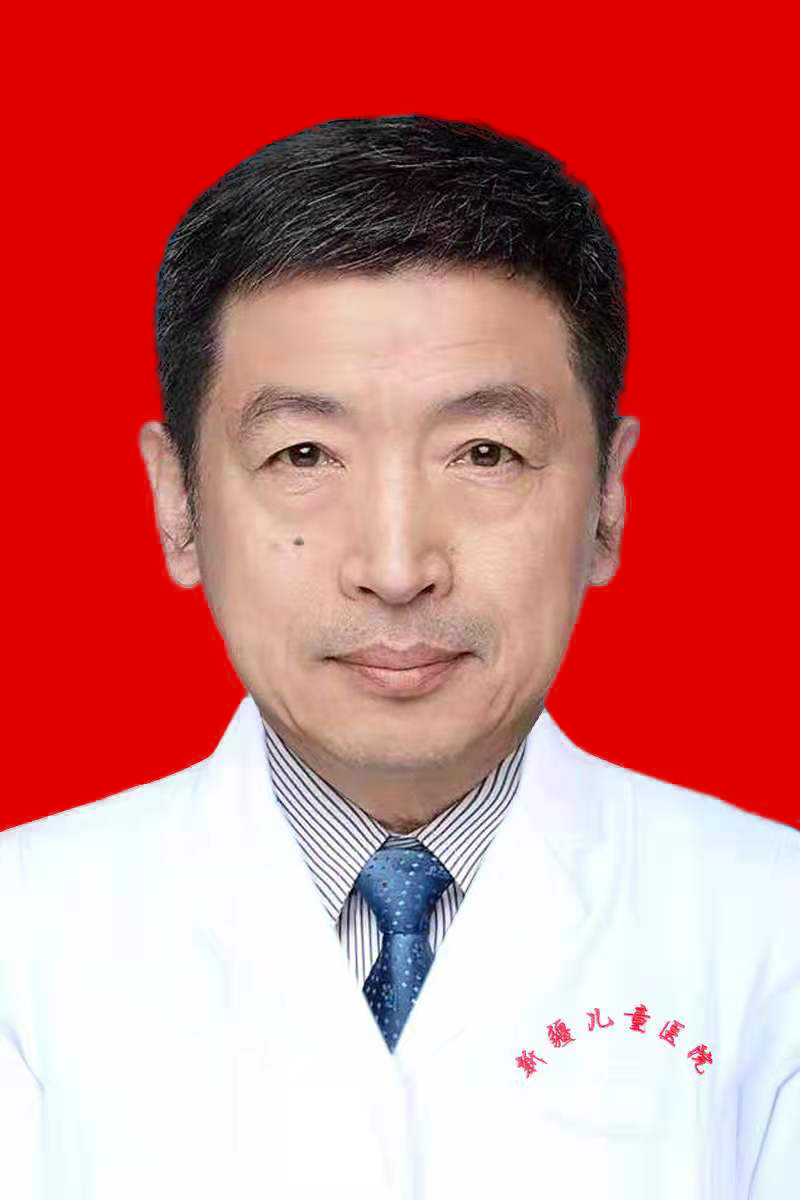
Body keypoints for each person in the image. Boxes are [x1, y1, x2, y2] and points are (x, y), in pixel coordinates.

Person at [1, 115, 797, 1200]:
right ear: (177, 503)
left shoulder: (773, 931)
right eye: (302, 454)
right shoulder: (24, 938)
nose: (393, 567)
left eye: (485, 453)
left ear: (607, 500)